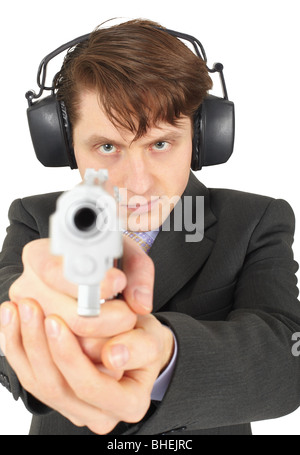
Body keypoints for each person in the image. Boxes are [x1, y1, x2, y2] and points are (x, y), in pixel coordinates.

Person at [0, 18, 300, 436]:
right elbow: (7, 301)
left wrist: (164, 355)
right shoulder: (36, 220)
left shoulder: (255, 221)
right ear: (66, 145)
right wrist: (28, 316)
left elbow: (287, 361)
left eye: (160, 143)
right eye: (107, 147)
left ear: (201, 137)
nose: (136, 183)